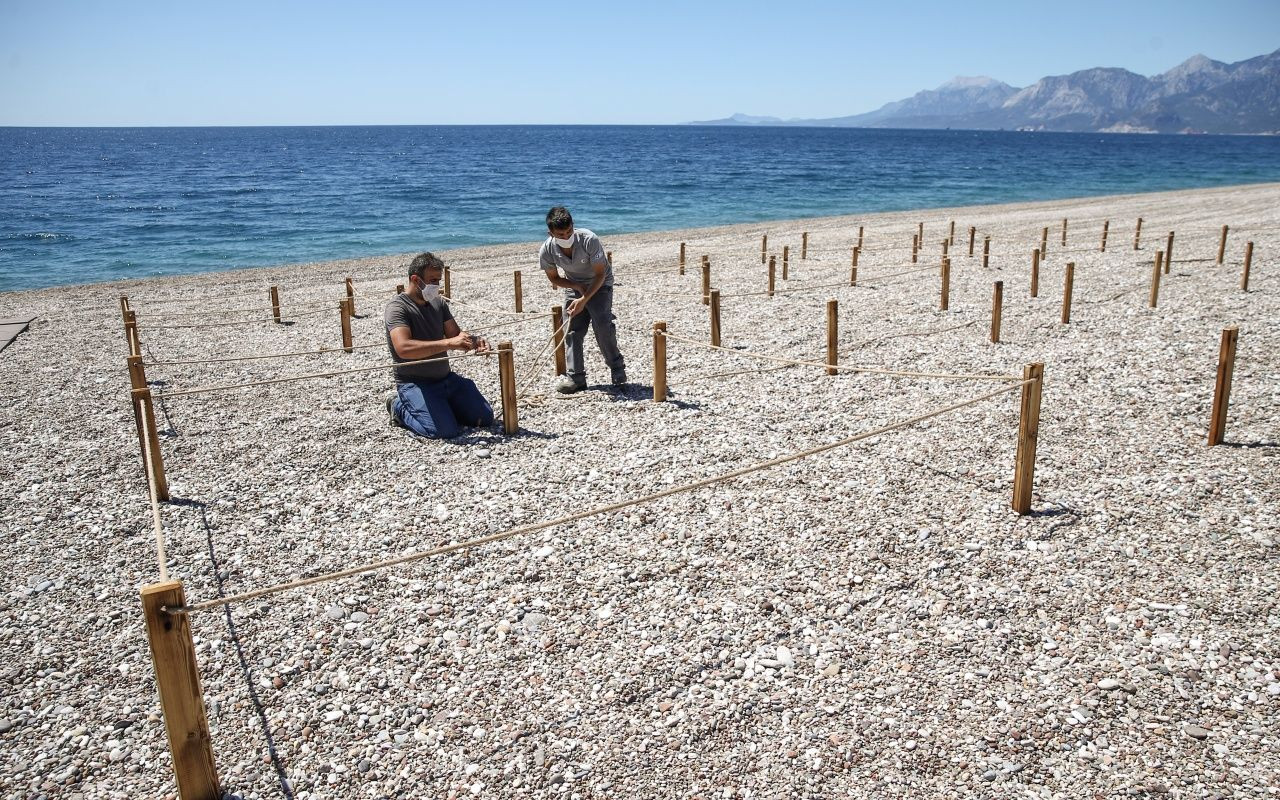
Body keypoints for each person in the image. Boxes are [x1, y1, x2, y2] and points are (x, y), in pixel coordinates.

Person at [384, 252, 494, 438]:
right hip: (415, 383)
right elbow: (403, 348)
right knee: (442, 431)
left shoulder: (438, 303)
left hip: (446, 379)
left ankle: (442, 408)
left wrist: (476, 341)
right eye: (432, 280)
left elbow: (455, 335)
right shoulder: (397, 307)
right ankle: (398, 406)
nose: (435, 286)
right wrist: (449, 343)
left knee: (484, 418)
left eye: (438, 281)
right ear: (415, 279)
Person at [538, 206, 626, 393]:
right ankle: (576, 378)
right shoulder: (547, 250)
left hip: (600, 284)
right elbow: (554, 278)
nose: (566, 236)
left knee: (602, 324)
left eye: (569, 231)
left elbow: (601, 274)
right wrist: (577, 288)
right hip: (574, 285)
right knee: (570, 329)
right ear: (550, 233)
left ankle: (617, 367)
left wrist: (584, 299)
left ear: (573, 226)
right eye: (560, 234)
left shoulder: (589, 240)